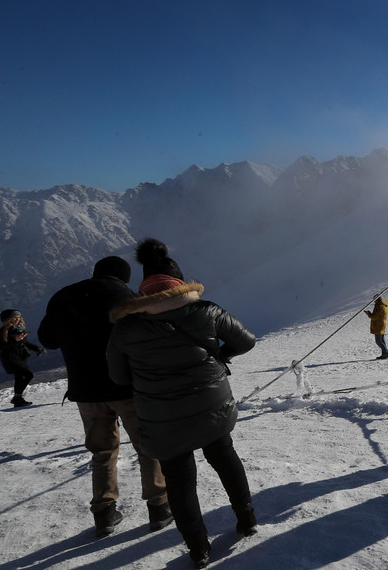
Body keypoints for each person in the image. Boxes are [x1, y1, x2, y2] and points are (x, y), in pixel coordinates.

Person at [107, 239, 258, 569]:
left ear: (144, 290)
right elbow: (246, 340)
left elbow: (118, 378)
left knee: (179, 481)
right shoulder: (206, 310)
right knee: (224, 456)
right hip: (211, 406)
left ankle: (198, 549)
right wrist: (220, 355)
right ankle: (246, 519)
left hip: (162, 418)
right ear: (181, 283)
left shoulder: (126, 328)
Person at [38, 256, 171, 538]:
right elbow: (149, 338)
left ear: (95, 272)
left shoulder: (62, 297)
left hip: (86, 391)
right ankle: (159, 507)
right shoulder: (128, 297)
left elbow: (47, 340)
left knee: (102, 452)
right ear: (123, 277)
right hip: (128, 388)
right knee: (147, 447)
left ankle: (104, 514)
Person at [0, 308, 44, 407]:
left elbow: (25, 343)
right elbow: (1, 347)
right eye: (14, 318)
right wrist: (15, 340)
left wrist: (37, 349)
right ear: (8, 319)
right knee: (28, 375)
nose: (17, 319)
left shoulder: (19, 328)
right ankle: (17, 397)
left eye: (18, 317)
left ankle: (18, 399)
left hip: (20, 357)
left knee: (19, 378)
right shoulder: (3, 331)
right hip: (11, 359)